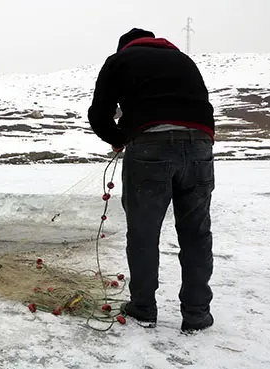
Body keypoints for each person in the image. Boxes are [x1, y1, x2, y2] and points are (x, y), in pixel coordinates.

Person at [87, 28, 215, 333]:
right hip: (199, 145)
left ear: (124, 47)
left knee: (144, 232)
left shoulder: (119, 61)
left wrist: (118, 139)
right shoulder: (183, 60)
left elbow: (99, 115)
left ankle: (143, 307)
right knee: (196, 232)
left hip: (150, 147)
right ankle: (197, 313)